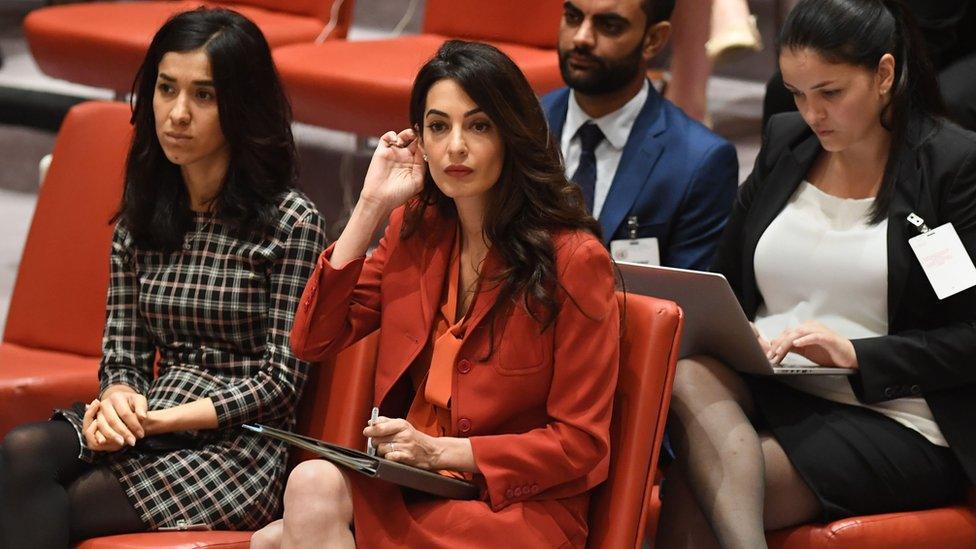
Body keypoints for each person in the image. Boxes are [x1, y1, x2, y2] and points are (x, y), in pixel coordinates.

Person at [250, 40, 620, 549]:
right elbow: (312, 339)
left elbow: (579, 443)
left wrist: (439, 452)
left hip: (511, 504)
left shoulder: (575, 260)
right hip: (414, 486)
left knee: (277, 540)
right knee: (308, 487)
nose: (456, 147)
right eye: (438, 126)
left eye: (479, 126)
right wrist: (370, 206)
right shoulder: (414, 229)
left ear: (513, 135)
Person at [0, 8, 326, 547]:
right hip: (151, 420)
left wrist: (154, 421)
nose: (177, 113)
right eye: (165, 88)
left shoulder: (290, 222)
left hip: (236, 451)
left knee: (62, 501)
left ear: (241, 107)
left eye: (203, 96)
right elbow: (123, 352)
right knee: (21, 452)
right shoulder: (145, 212)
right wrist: (120, 399)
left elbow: (279, 386)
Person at [657, 0, 976, 547]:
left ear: (883, 74)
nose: (813, 113)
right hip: (777, 384)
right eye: (798, 93)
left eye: (830, 93)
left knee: (707, 476)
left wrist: (856, 353)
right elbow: (723, 281)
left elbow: (969, 336)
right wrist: (736, 332)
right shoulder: (788, 142)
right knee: (687, 375)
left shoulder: (950, 166)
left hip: (898, 414)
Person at [542, 0, 738, 270]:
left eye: (609, 26)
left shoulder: (700, 162)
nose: (581, 38)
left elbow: (687, 302)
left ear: (653, 40)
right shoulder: (518, 124)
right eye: (573, 17)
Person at [763, 0, 976, 132]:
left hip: (948, 43)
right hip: (879, 32)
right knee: (782, 90)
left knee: (949, 102)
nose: (811, 116)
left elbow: (929, 33)